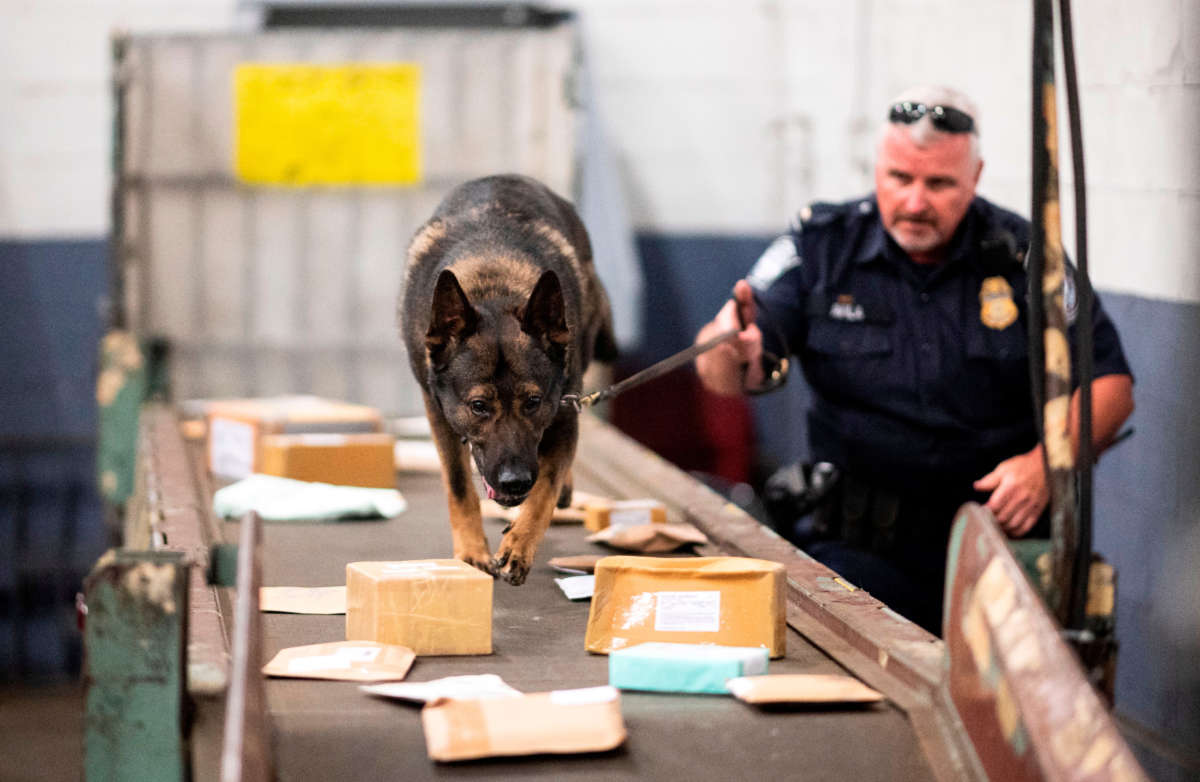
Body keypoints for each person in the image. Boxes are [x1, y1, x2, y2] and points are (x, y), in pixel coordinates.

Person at [694, 86, 1134, 634]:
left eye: (940, 183)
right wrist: (729, 348)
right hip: (854, 555)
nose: (915, 202)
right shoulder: (824, 245)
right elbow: (729, 369)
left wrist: (1049, 464)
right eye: (899, 178)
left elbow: (1111, 385)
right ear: (877, 169)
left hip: (996, 556)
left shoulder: (1027, 257)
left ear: (974, 179)